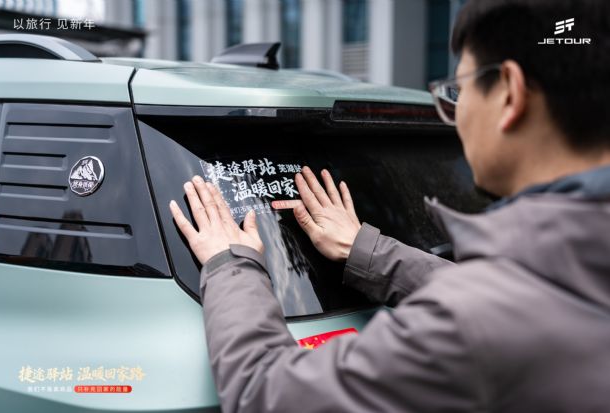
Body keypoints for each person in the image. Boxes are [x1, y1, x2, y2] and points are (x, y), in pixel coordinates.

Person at [169, 0, 610, 411]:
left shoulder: (476, 323)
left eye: (459, 90)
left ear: (510, 93)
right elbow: (523, 298)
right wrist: (367, 252)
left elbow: (266, 391)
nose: (455, 113)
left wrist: (231, 265)